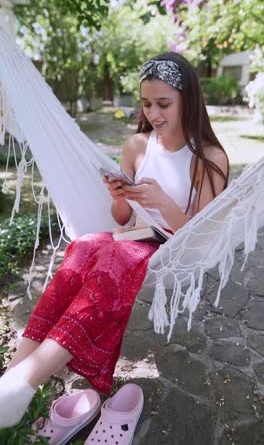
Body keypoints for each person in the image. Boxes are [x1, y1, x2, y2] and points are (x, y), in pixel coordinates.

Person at [0, 51, 229, 430]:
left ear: (188, 100)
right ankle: (10, 378)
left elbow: (200, 236)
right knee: (85, 246)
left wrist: (163, 203)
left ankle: (24, 384)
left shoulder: (208, 159)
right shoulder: (137, 147)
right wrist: (120, 196)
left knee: (113, 261)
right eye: (146, 103)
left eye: (163, 104)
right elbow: (120, 220)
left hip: (169, 249)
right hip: (128, 236)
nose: (153, 114)